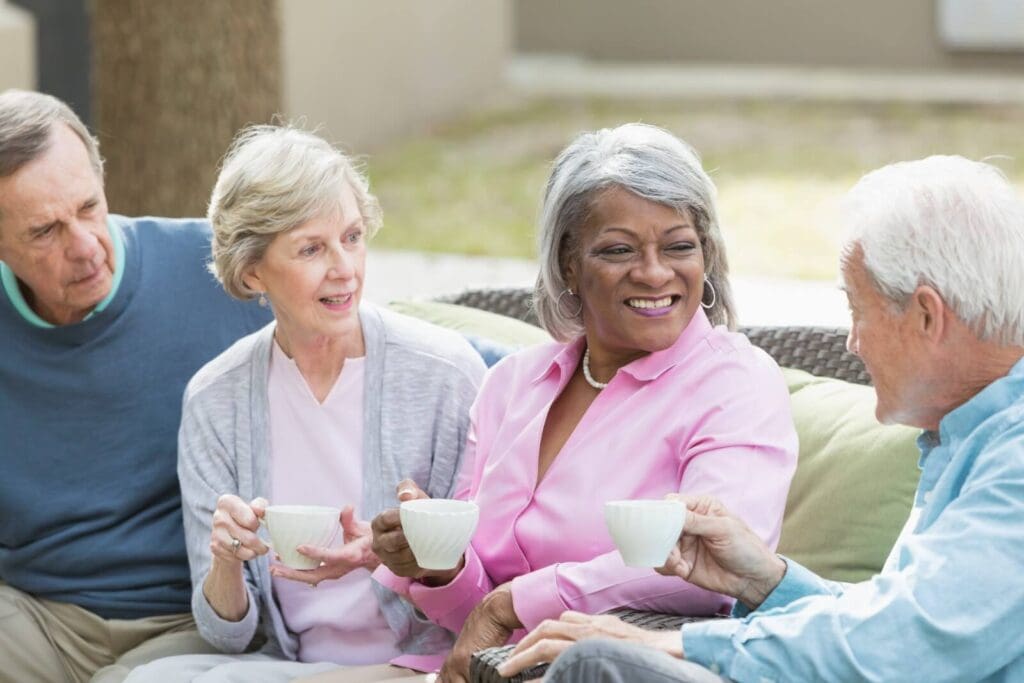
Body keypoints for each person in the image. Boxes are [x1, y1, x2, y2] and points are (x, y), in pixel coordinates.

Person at [501, 155, 1024, 683]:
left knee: (599, 665)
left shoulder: (1016, 461)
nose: (852, 342)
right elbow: (895, 621)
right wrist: (766, 581)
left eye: (856, 310)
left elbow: (906, 647)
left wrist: (677, 645)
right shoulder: (972, 438)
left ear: (927, 316)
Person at [369, 123, 799, 682]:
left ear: (706, 256)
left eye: (679, 246)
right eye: (619, 249)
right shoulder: (513, 385)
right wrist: (437, 564)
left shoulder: (737, 383)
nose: (654, 272)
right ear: (569, 263)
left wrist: (511, 605)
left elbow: (704, 565)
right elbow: (471, 617)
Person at [124, 125, 486, 683]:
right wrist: (225, 562)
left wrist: (396, 557)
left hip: (420, 666)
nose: (344, 267)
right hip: (287, 666)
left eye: (353, 236)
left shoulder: (445, 375)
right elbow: (227, 634)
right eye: (312, 248)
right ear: (252, 271)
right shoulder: (215, 399)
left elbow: (485, 598)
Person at [0, 89, 274, 683]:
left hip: (193, 617)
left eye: (88, 207)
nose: (84, 246)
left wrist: (520, 368)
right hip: (38, 615)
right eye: (44, 231)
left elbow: (358, 331)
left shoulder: (213, 267)